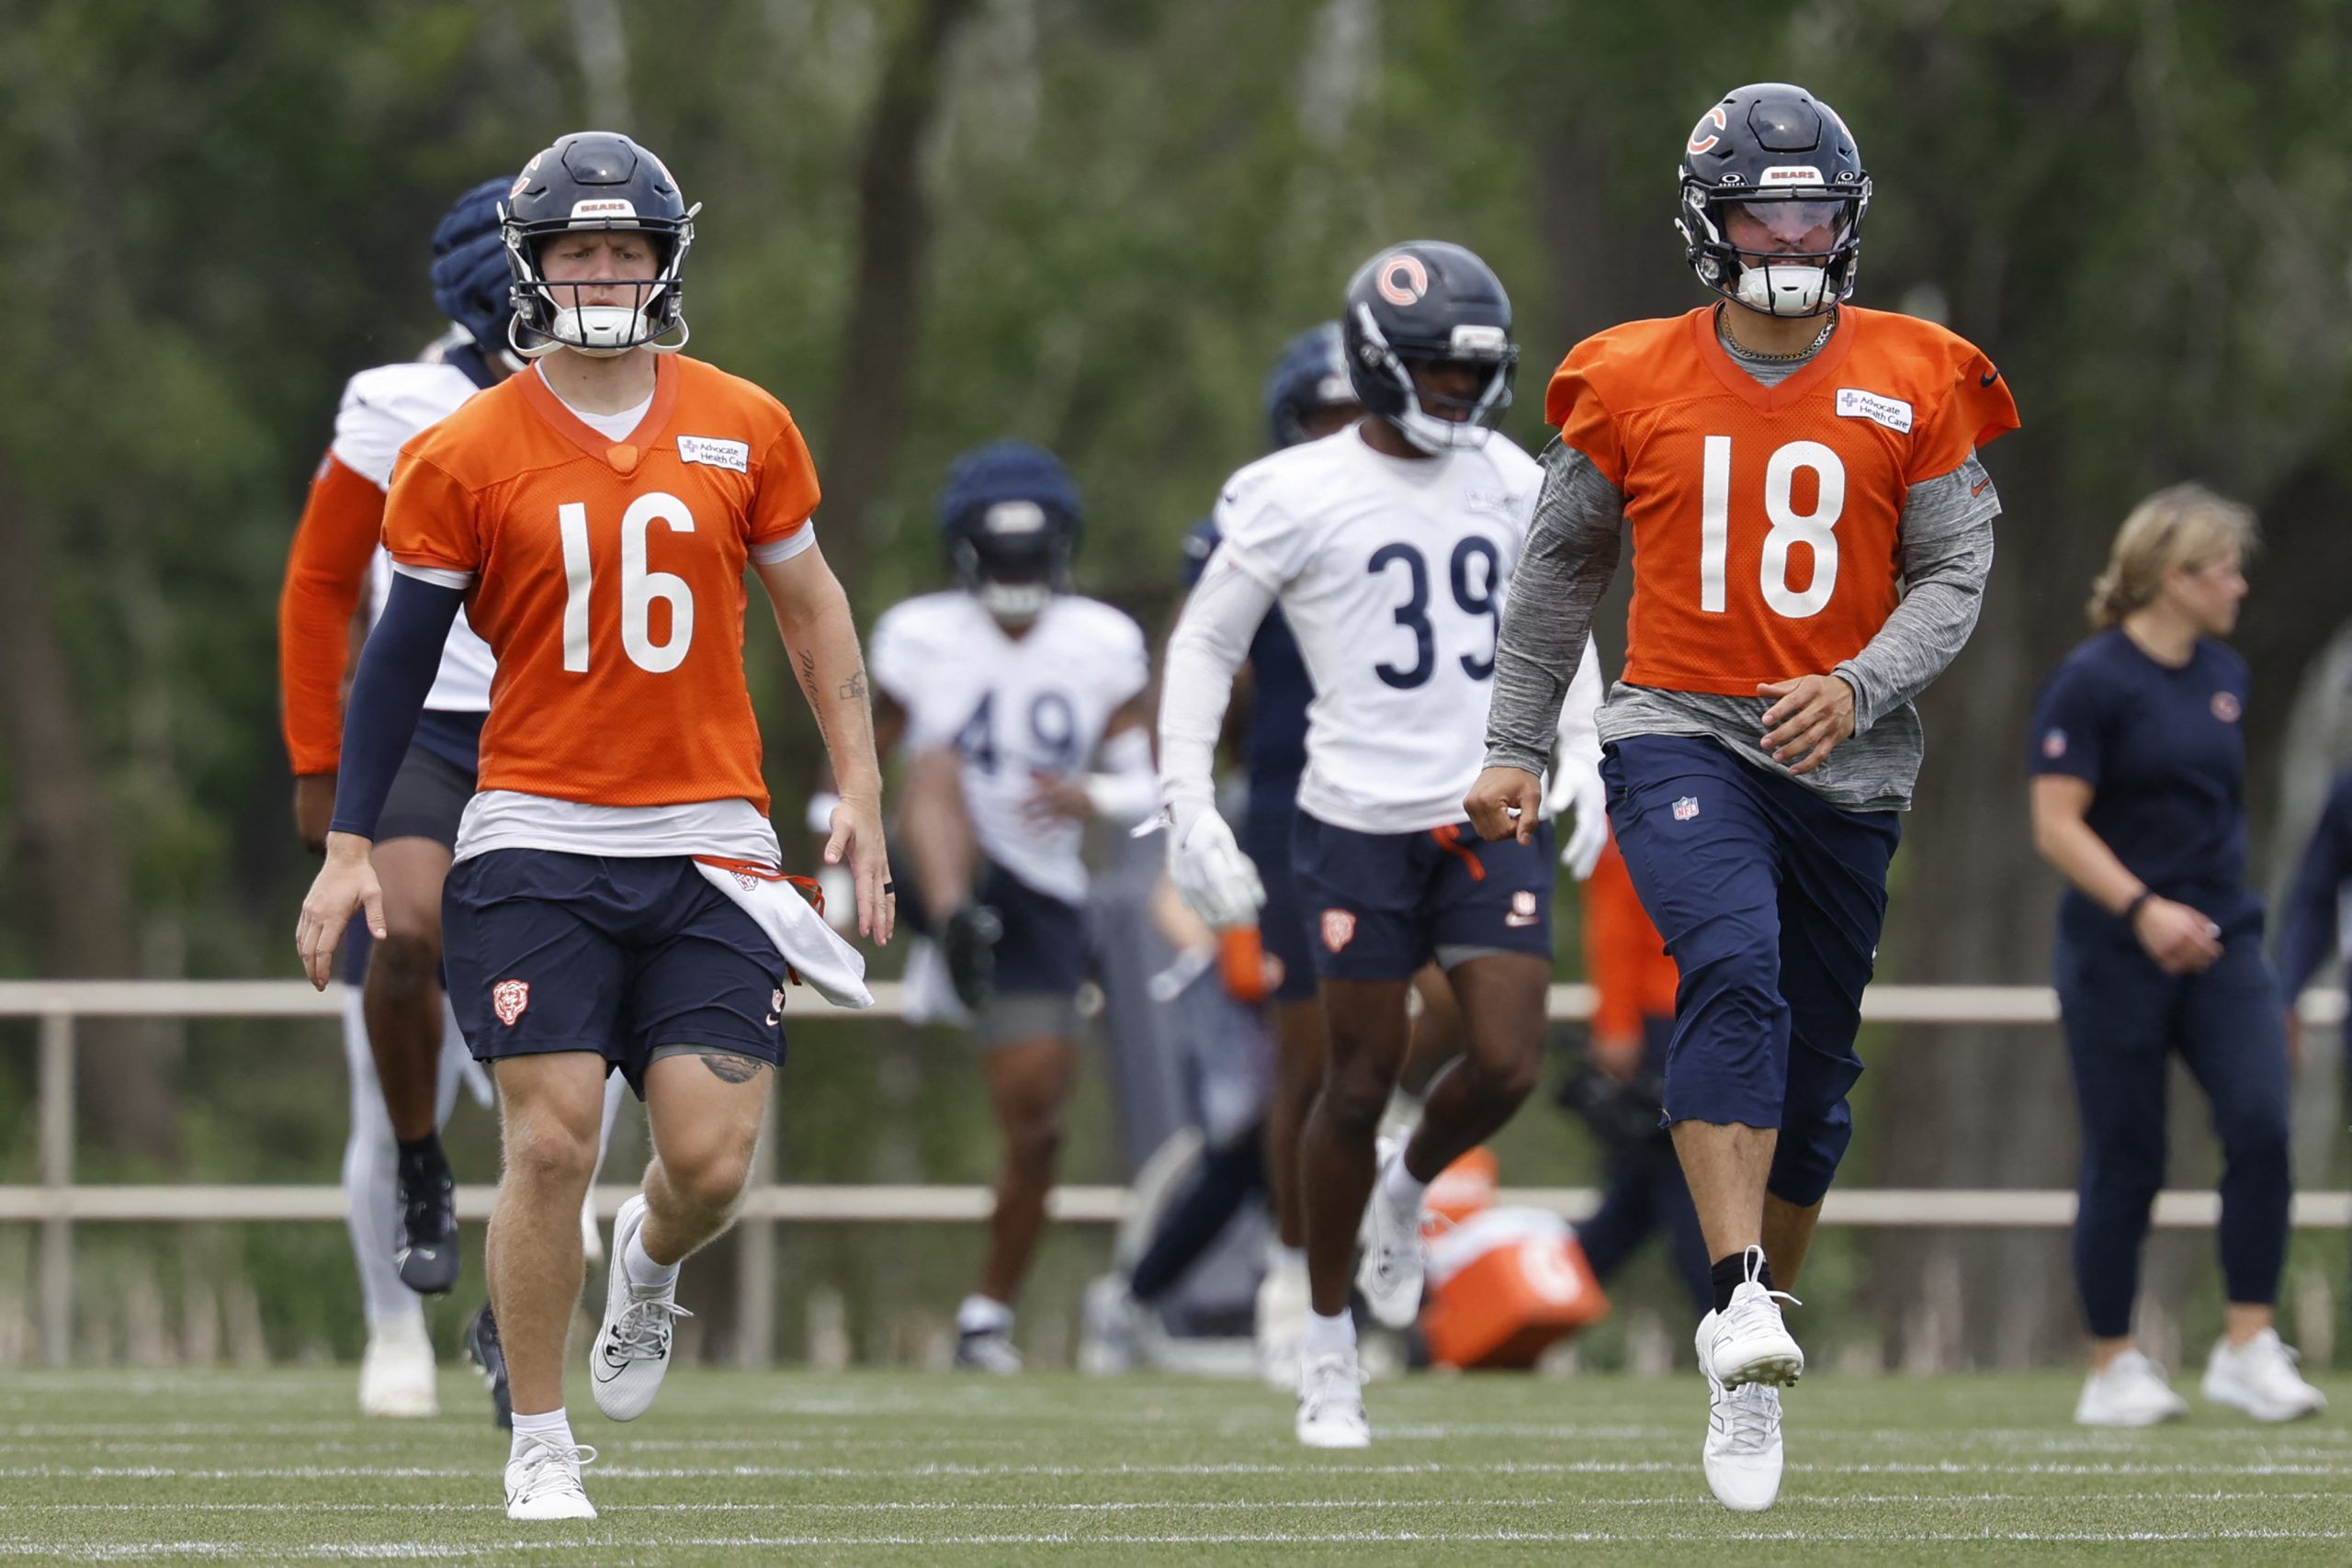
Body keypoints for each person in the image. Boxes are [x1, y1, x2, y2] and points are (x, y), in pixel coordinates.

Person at [293, 131, 891, 1521]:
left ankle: (650, 1262)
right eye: (579, 251)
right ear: (532, 267)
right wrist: (348, 841)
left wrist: (858, 784)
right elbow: (395, 660)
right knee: (552, 1144)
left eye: (627, 250)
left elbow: (811, 603)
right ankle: (542, 1442)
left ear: (665, 263)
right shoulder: (462, 448)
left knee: (709, 1165)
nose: (605, 274)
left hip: (710, 840)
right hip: (538, 834)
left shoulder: (745, 420)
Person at [1464, 82, 2018, 1513]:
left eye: (1812, 213)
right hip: (1680, 730)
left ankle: (1748, 1346)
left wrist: (1860, 680)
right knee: (1732, 968)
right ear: (1709, 226)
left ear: (1849, 222)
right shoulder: (1626, 374)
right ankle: (1738, 1292)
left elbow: (1954, 573)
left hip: (1849, 758)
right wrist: (1515, 741)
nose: (1789, 238)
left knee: (1816, 1090)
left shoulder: (1920, 370)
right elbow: (1558, 570)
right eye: (1762, 214)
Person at [1161, 240, 1602, 1448]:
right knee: (1351, 1080)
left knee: (1507, 1061)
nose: (1459, 394)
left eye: (1473, 372)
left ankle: (1404, 1191)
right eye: (1436, 371)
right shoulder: (1293, 489)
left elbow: (1557, 609)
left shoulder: (1511, 476)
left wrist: (1582, 738)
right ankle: (1325, 1345)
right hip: (1352, 816)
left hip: (1484, 805)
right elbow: (1205, 644)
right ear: (1377, 363)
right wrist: (1188, 801)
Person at [277, 178, 526, 1419]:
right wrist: (318, 768)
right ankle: (399, 1291)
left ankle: (515, 1316)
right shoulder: (400, 404)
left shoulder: (646, 397)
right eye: (562, 258)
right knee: (404, 948)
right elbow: (322, 583)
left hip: (563, 738)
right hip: (422, 728)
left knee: (577, 1074)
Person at [2029, 483, 2324, 1426]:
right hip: (2116, 951)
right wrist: (2143, 909)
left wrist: (2200, 914)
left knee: (2261, 1124)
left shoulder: (2225, 674)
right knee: (2127, 1155)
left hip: (2223, 944)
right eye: (2224, 569)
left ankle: (2247, 1346)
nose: (2239, 585)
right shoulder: (2090, 681)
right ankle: (2113, 1365)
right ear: (2173, 575)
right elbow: (2055, 824)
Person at [864, 443, 1156, 1371]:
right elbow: (860, 763)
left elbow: (1147, 784)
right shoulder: (920, 635)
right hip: (934, 861)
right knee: (936, 761)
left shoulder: (1101, 641)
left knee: (1039, 1126)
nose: (1017, 573)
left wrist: (1089, 796)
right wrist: (841, 859)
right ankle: (955, 924)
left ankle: (987, 1313)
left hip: (1040, 890)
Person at [1557, 829, 1710, 1315]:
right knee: (1688, 1185)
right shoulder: (1638, 805)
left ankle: (1522, 1315)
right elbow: (1616, 920)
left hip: (1691, 1010)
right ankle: (1729, 1316)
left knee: (1638, 1201)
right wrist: (1617, 1025)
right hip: (1662, 1021)